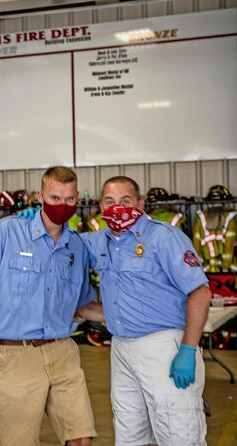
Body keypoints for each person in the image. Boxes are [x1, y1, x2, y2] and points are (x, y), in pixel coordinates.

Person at [0, 166, 100, 446]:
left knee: (81, 440)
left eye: (69, 200)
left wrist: (136, 321)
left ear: (77, 199)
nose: (62, 206)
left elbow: (83, 307)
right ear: (40, 195)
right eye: (54, 198)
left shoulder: (77, 247)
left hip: (63, 352)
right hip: (17, 355)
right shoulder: (8, 232)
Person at [83, 176, 210, 445]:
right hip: (121, 349)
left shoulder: (164, 237)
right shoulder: (98, 242)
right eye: (109, 201)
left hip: (164, 348)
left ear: (140, 203)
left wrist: (188, 349)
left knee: (178, 432)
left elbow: (200, 292)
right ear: (100, 206)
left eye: (125, 201)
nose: (117, 207)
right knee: (131, 433)